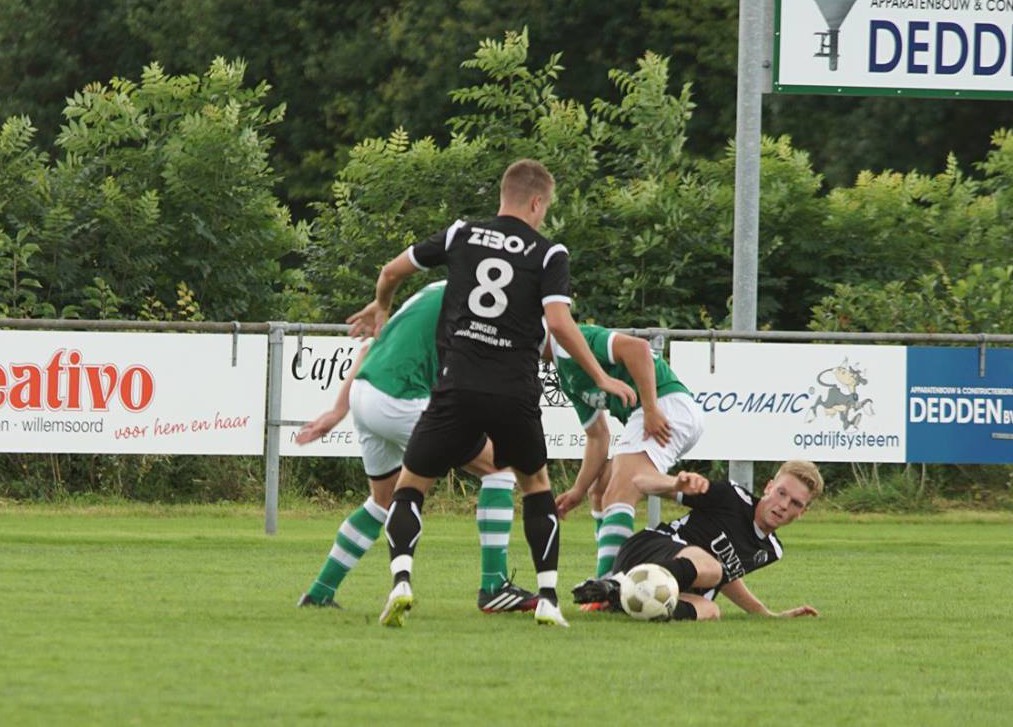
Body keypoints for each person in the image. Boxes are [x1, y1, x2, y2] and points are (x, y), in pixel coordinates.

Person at [347, 159, 637, 628]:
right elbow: (560, 324)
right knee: (535, 487)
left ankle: (401, 580)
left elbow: (392, 269)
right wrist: (600, 377)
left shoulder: (462, 233)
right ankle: (547, 598)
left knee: (410, 488)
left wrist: (380, 304)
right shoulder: (549, 253)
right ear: (538, 202)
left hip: (455, 387)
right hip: (513, 393)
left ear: (503, 194)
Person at [296, 280, 537, 614]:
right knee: (499, 468)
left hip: (366, 392)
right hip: (400, 399)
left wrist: (338, 411)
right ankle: (494, 586)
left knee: (382, 501)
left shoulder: (435, 290)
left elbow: (369, 348)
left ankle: (319, 593)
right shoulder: (478, 301)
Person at [571, 460, 825, 621]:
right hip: (647, 549)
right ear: (769, 487)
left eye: (795, 503)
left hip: (675, 583)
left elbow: (727, 577)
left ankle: (618, 600)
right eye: (781, 493)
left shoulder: (772, 551)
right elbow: (644, 483)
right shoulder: (731, 497)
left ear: (802, 512)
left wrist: (767, 615)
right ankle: (615, 583)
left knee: (710, 610)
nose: (783, 505)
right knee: (712, 569)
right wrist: (674, 482)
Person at [549, 324, 705, 579]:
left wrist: (652, 409)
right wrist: (577, 490)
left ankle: (610, 583)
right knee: (599, 489)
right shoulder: (566, 376)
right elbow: (598, 437)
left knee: (620, 491)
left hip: (666, 408)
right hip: (656, 413)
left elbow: (638, 348)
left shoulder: (576, 340)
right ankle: (609, 578)